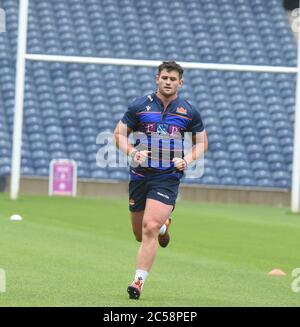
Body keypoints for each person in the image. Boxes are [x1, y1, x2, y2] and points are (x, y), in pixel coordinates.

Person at [114, 61, 208, 299]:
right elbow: (119, 134)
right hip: (140, 175)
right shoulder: (139, 105)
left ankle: (138, 282)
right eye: (164, 77)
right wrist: (133, 152)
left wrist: (187, 159)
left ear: (180, 83)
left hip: (167, 176)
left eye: (173, 79)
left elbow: (202, 142)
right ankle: (165, 226)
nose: (168, 82)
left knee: (150, 227)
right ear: (157, 78)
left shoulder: (189, 111)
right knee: (139, 233)